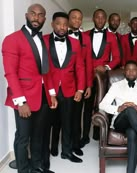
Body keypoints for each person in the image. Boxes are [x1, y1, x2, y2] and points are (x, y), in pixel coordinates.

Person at [2, 3, 57, 173]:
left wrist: (52, 94)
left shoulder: (44, 41)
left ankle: (36, 167)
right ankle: (23, 170)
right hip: (23, 97)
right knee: (23, 137)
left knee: (38, 135)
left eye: (40, 15)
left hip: (42, 96)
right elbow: (10, 73)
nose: (36, 17)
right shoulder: (12, 39)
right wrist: (21, 102)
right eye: (33, 14)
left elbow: (47, 72)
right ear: (27, 15)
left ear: (44, 19)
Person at [43, 12, 85, 163]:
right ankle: (50, 149)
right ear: (52, 24)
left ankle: (66, 152)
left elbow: (80, 67)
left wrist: (80, 89)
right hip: (49, 88)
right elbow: (42, 67)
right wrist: (50, 91)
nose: (62, 27)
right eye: (59, 24)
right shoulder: (43, 41)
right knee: (49, 122)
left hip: (69, 88)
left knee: (68, 121)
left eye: (65, 24)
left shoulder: (75, 43)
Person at [83, 9, 120, 142]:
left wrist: (105, 67)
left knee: (102, 105)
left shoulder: (111, 37)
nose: (100, 20)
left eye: (102, 17)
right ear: (93, 19)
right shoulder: (85, 35)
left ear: (105, 20)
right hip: (87, 77)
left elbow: (117, 58)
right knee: (87, 107)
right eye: (97, 17)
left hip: (103, 77)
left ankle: (99, 134)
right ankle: (85, 136)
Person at [67, 8, 93, 155]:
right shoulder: (61, 35)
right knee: (65, 115)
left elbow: (88, 63)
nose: (77, 21)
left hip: (80, 83)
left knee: (77, 114)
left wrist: (88, 84)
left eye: (79, 18)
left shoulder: (86, 38)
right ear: (69, 19)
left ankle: (75, 144)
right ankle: (63, 143)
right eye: (74, 18)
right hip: (64, 83)